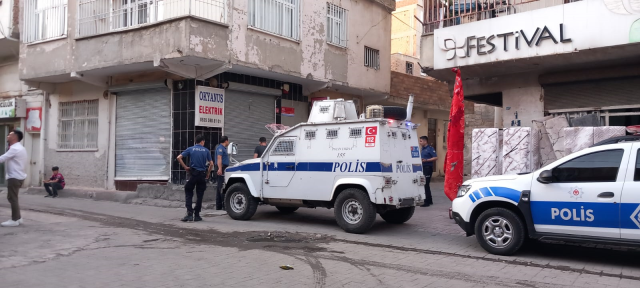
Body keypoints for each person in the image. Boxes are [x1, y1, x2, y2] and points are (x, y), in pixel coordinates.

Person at [177, 135, 213, 222]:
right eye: (204, 142)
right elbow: (211, 164)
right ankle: (197, 215)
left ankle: (189, 213)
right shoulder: (206, 150)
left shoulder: (191, 149)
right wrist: (207, 174)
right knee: (200, 195)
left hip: (193, 174)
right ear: (202, 142)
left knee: (188, 191)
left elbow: (179, 157)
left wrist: (185, 167)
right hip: (202, 174)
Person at [0, 130, 27, 227]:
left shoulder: (15, 149)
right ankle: (18, 218)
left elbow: (2, 158)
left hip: (14, 177)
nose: (7, 136)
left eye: (10, 135)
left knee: (12, 198)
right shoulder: (19, 148)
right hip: (18, 176)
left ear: (15, 137)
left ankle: (14, 219)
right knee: (13, 198)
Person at [419, 136, 437, 207]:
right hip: (423, 167)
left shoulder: (430, 149)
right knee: (425, 184)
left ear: (425, 141)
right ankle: (429, 200)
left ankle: (427, 202)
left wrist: (426, 160)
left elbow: (435, 157)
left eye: (421, 141)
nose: (420, 142)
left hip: (428, 168)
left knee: (426, 184)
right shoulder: (422, 149)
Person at [214, 136, 230, 210]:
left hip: (223, 167)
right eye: (228, 141)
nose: (228, 142)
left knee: (221, 186)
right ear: (226, 141)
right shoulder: (220, 148)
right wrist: (220, 169)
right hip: (221, 168)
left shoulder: (223, 148)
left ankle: (220, 205)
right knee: (221, 187)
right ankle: (220, 205)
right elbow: (219, 158)